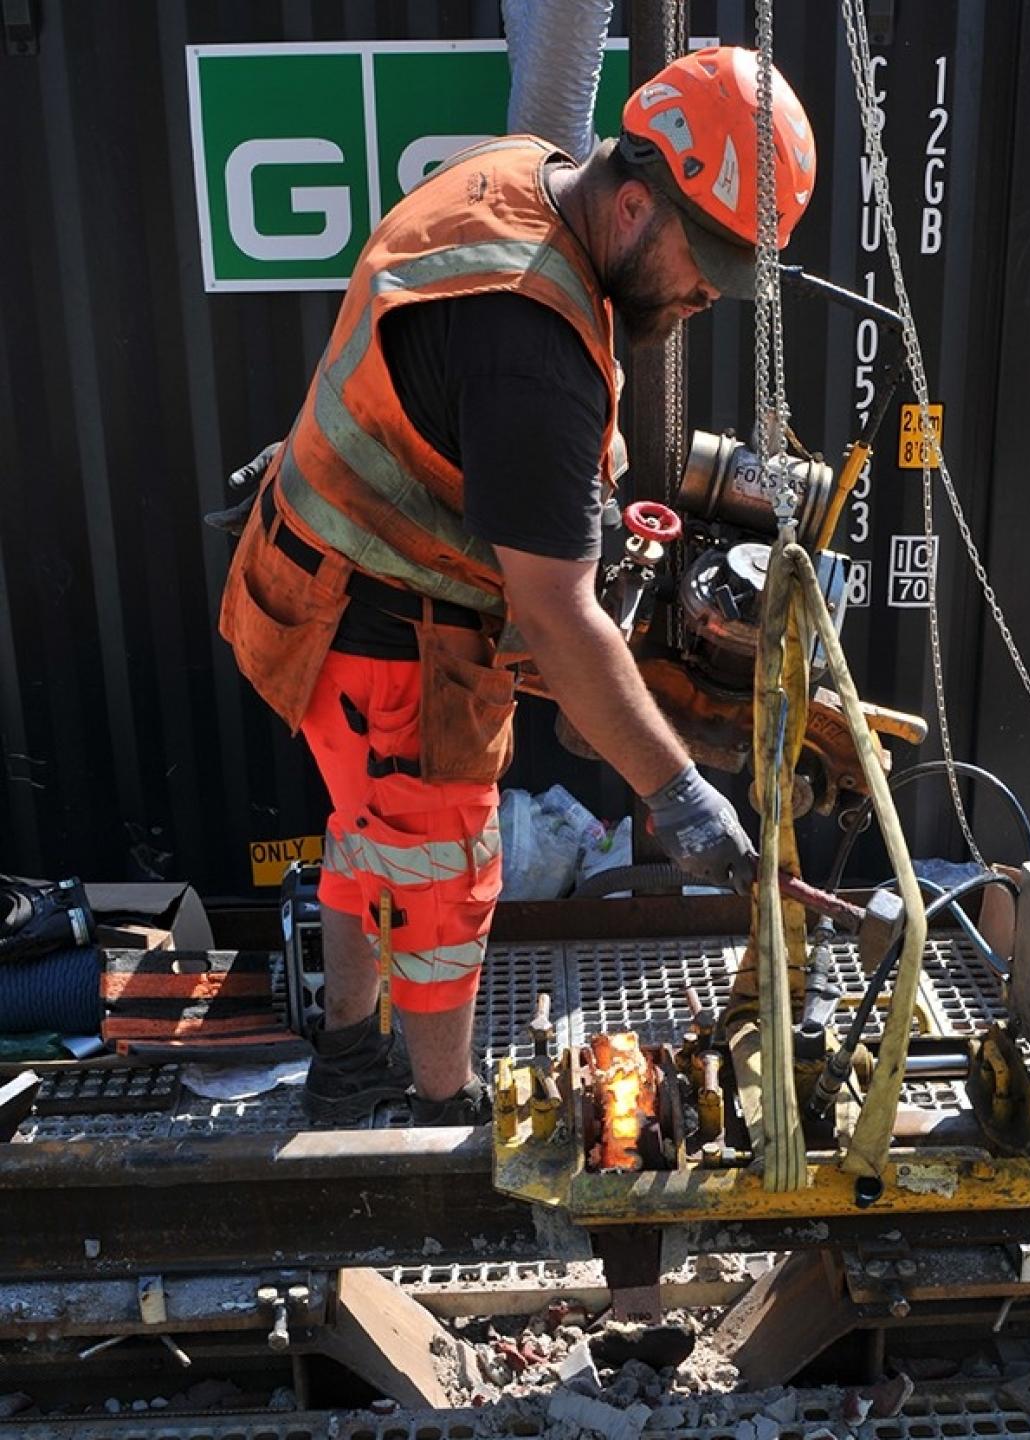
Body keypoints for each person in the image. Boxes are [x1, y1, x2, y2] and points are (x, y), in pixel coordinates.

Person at [215, 46, 816, 1126]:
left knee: (370, 834)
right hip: (381, 632)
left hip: (321, 577)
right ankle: (439, 1125)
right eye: (702, 270)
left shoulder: (519, 174)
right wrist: (682, 802)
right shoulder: (531, 347)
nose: (701, 300)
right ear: (635, 203)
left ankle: (349, 1067)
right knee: (443, 877)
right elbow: (554, 613)